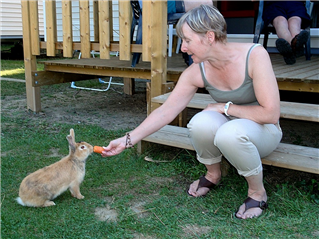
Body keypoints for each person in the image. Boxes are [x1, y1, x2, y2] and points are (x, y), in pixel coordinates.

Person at [101, 5, 283, 220]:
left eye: (187, 40)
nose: (183, 48)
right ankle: (213, 174)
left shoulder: (253, 55)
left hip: (264, 130)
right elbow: (166, 112)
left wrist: (225, 108)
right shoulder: (197, 71)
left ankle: (256, 191)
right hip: (232, 125)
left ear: (209, 36)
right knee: (200, 122)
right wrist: (127, 139)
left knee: (229, 133)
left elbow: (271, 115)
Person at [254, 0, 314, 65]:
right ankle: (295, 45)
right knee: (280, 21)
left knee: (294, 21)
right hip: (274, 4)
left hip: (295, 3)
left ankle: (290, 49)